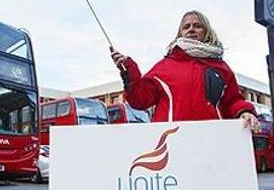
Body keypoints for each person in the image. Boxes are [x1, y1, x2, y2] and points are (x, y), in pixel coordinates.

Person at [111, 10, 259, 131]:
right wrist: (128, 70)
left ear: (206, 31)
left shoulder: (221, 68)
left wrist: (244, 112)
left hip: (213, 141)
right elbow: (140, 100)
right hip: (171, 143)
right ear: (180, 33)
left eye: (197, 25)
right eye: (186, 26)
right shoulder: (164, 67)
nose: (191, 29)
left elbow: (233, 100)